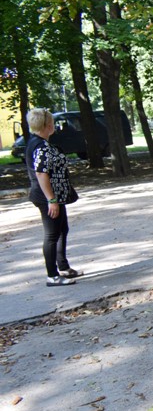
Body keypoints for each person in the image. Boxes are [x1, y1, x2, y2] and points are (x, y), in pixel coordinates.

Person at [24, 108, 82, 287]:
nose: (54, 125)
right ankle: (52, 276)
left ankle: (63, 266)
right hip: (47, 197)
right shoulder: (41, 146)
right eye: (52, 122)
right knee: (52, 234)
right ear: (47, 125)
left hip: (55, 195)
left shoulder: (39, 143)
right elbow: (42, 174)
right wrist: (51, 199)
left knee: (62, 229)